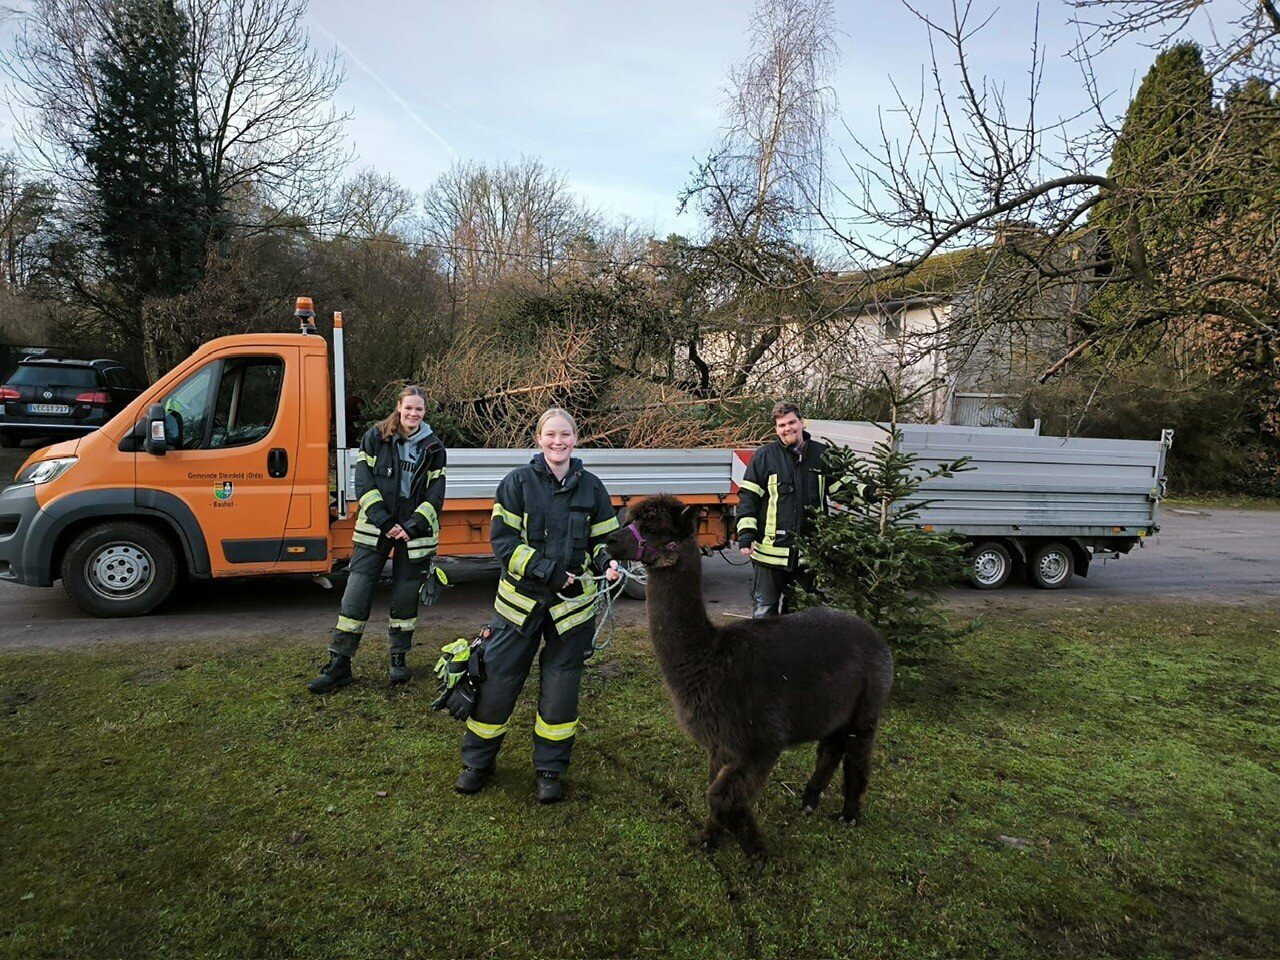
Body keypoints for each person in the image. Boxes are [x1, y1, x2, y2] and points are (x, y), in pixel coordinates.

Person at [455, 408, 621, 804]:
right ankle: (477, 763)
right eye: (550, 435)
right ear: (538, 438)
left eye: (565, 434)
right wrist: (547, 571)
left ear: (576, 439)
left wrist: (608, 563)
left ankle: (550, 770)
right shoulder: (517, 483)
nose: (558, 441)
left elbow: (604, 541)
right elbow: (504, 543)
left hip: (570, 610)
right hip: (519, 606)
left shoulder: (593, 488)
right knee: (497, 682)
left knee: (561, 691)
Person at [308, 385, 447, 692]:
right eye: (408, 407)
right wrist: (385, 522)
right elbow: (364, 483)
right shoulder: (375, 437)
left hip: (414, 534)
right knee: (355, 593)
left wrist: (411, 526)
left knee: (405, 596)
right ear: (399, 407)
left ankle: (399, 660)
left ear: (425, 412)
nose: (413, 413)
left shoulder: (434, 447)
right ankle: (339, 663)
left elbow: (435, 495)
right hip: (376, 528)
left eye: (419, 409)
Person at [736, 401, 870, 618]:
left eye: (791, 422)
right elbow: (748, 497)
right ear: (776, 429)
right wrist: (746, 534)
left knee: (800, 618)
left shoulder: (822, 454)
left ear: (802, 423)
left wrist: (868, 492)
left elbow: (841, 489)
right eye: (781, 425)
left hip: (808, 556)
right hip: (769, 556)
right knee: (763, 613)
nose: (787, 428)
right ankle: (767, 653)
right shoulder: (764, 456)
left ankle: (792, 653)